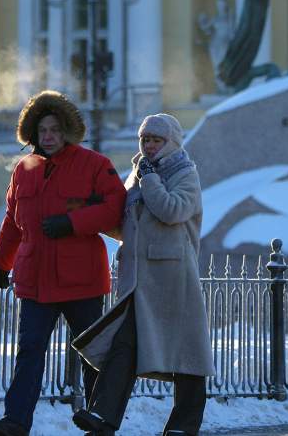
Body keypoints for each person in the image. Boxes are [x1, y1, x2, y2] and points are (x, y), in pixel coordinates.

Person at [0, 91, 127, 436]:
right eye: (43, 130)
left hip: (81, 279)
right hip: (34, 279)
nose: (48, 137)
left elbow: (115, 208)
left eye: (55, 130)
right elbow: (11, 220)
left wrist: (71, 223)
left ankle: (101, 418)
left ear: (68, 132)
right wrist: (1, 262)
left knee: (92, 353)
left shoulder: (94, 164)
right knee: (29, 351)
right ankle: (15, 421)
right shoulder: (24, 169)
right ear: (32, 132)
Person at [71, 114, 214, 436]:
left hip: (173, 278)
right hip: (139, 280)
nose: (149, 146)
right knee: (123, 346)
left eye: (156, 140)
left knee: (187, 352)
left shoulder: (185, 173)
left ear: (171, 142)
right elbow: (127, 225)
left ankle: (184, 424)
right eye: (145, 140)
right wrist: (98, 212)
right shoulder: (138, 175)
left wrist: (149, 180)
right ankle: (103, 416)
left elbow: (172, 210)